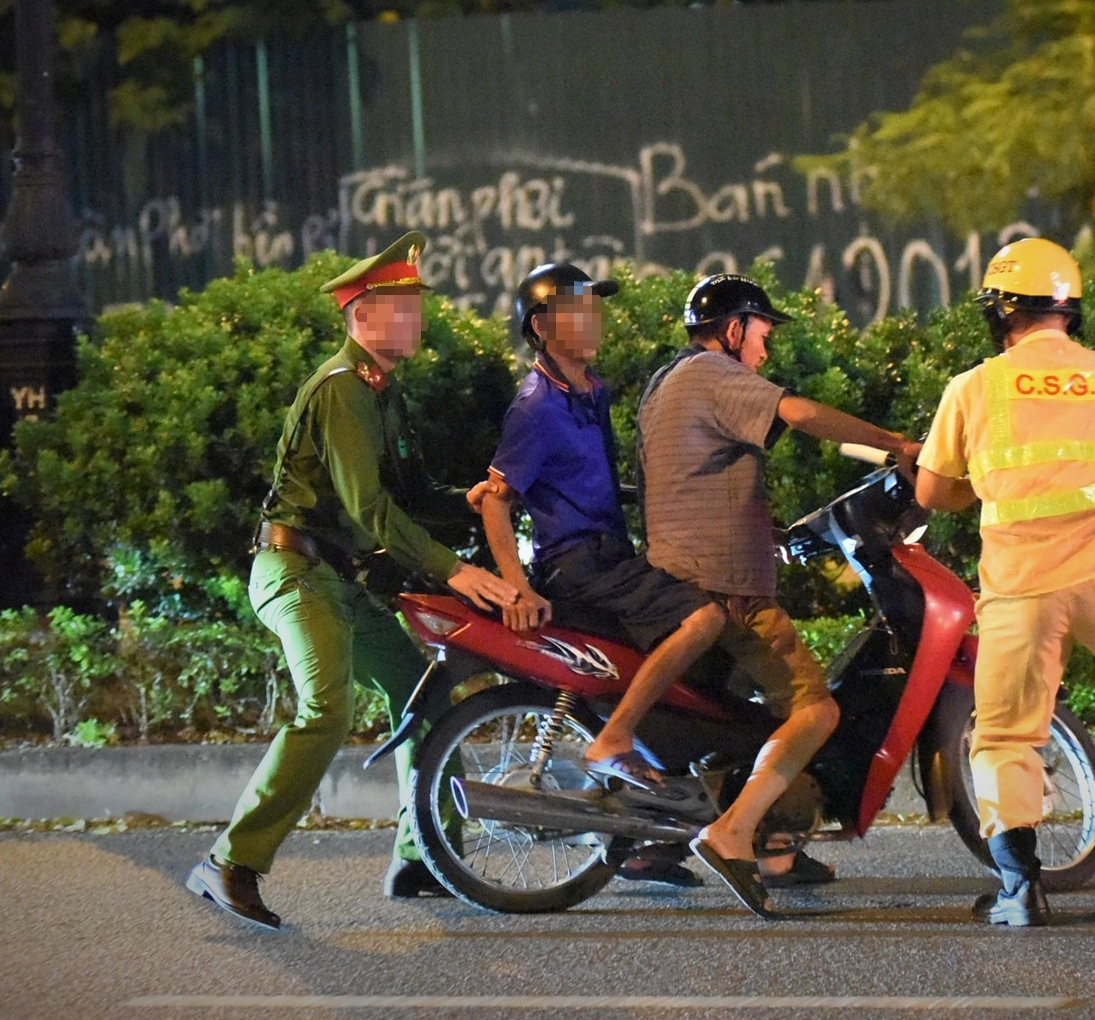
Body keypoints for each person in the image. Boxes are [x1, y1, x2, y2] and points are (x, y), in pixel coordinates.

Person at [186, 231, 518, 931]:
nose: (416, 319)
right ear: (361, 317)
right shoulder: (341, 390)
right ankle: (230, 861)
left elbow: (407, 491)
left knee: (425, 695)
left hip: (343, 581)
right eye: (400, 307)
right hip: (297, 572)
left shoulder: (382, 392)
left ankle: (424, 854)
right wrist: (454, 569)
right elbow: (368, 510)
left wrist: (466, 498)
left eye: (417, 306)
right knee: (326, 710)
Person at [912, 236, 1095, 927]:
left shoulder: (975, 387)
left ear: (1000, 311)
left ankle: (1024, 887)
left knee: (1009, 734)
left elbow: (933, 492)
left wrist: (973, 488)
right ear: (1069, 309)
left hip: (1025, 585)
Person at [637, 273, 920, 917]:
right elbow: (800, 412)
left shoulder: (670, 381)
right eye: (761, 334)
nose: (765, 352)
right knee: (815, 712)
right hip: (726, 588)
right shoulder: (714, 372)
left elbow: (707, 476)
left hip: (681, 577)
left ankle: (766, 840)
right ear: (733, 329)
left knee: (737, 720)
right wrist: (897, 444)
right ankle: (732, 832)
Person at [473, 262, 727, 887]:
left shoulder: (591, 391)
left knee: (706, 677)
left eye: (596, 307)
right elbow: (496, 500)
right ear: (542, 326)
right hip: (577, 565)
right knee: (706, 617)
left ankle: (650, 841)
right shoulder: (535, 406)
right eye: (579, 308)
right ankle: (612, 740)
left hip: (613, 555)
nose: (596, 319)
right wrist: (518, 587)